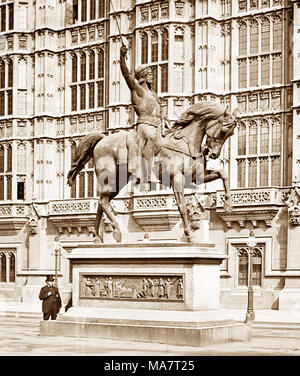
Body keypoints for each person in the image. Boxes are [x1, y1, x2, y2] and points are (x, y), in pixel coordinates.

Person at [120, 44, 169, 185]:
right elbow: (126, 75)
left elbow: (160, 113)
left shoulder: (153, 94)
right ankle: (147, 173)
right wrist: (122, 57)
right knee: (152, 138)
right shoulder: (138, 90)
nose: (152, 76)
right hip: (145, 126)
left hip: (158, 126)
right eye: (149, 74)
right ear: (143, 76)